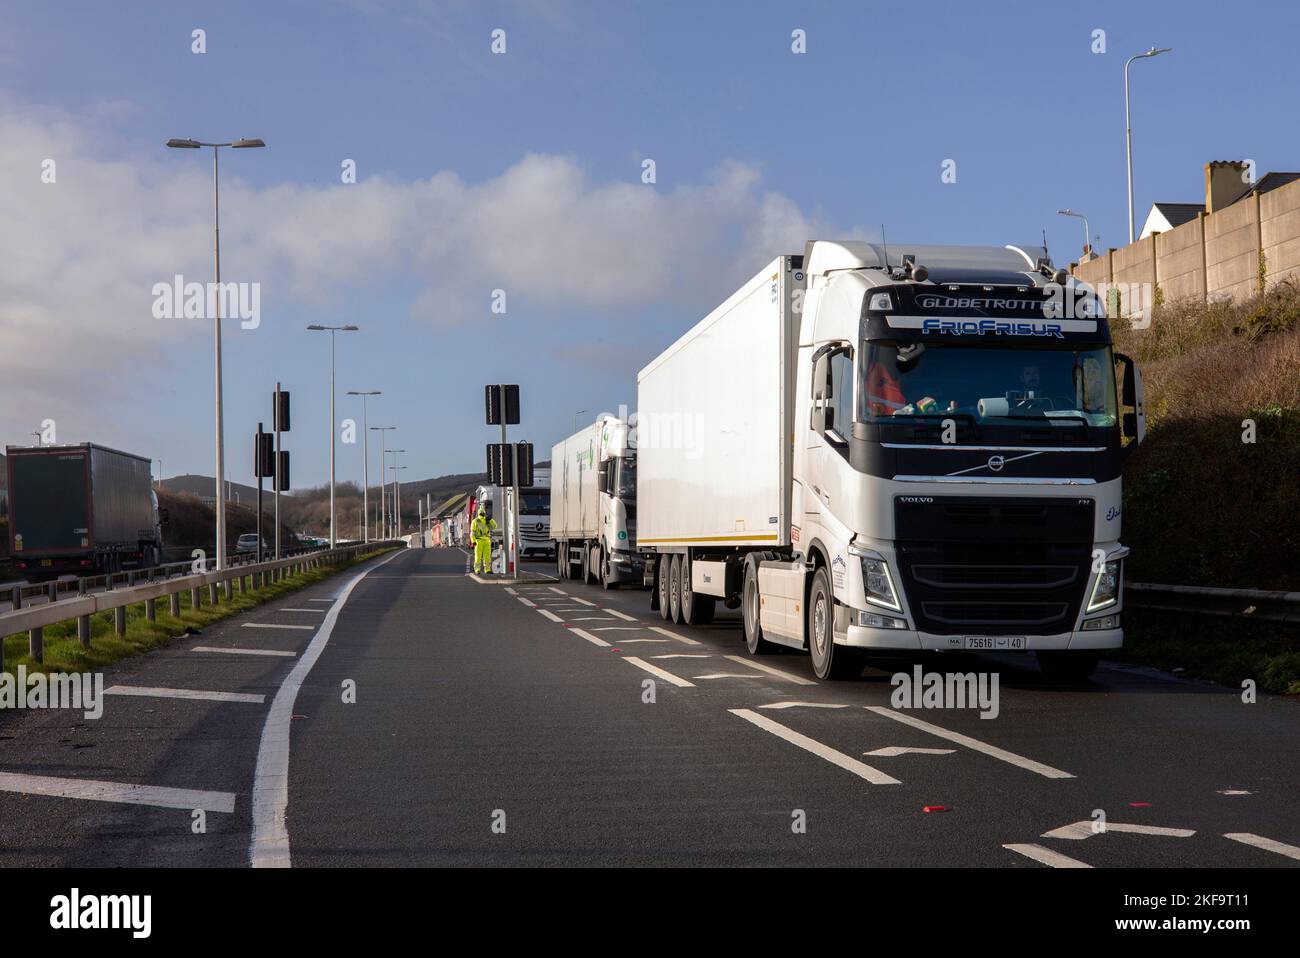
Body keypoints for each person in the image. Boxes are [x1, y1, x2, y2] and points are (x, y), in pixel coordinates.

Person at [471, 504, 497, 574]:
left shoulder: (481, 520)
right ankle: (481, 569)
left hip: (482, 541)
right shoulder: (476, 521)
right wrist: (473, 541)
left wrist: (490, 520)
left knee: (483, 556)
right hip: (481, 540)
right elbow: (472, 533)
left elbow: (494, 526)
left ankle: (484, 569)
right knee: (483, 556)